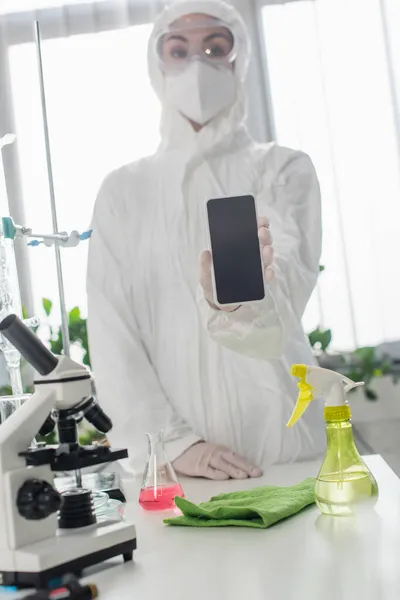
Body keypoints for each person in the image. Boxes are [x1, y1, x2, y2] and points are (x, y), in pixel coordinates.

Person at [87, 0, 325, 480]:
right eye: (179, 50)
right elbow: (112, 333)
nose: (197, 65)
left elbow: (288, 294)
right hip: (175, 468)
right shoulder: (124, 191)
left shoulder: (281, 169)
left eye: (216, 48)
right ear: (158, 66)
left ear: (240, 62)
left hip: (279, 442)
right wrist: (174, 443)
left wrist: (238, 307)